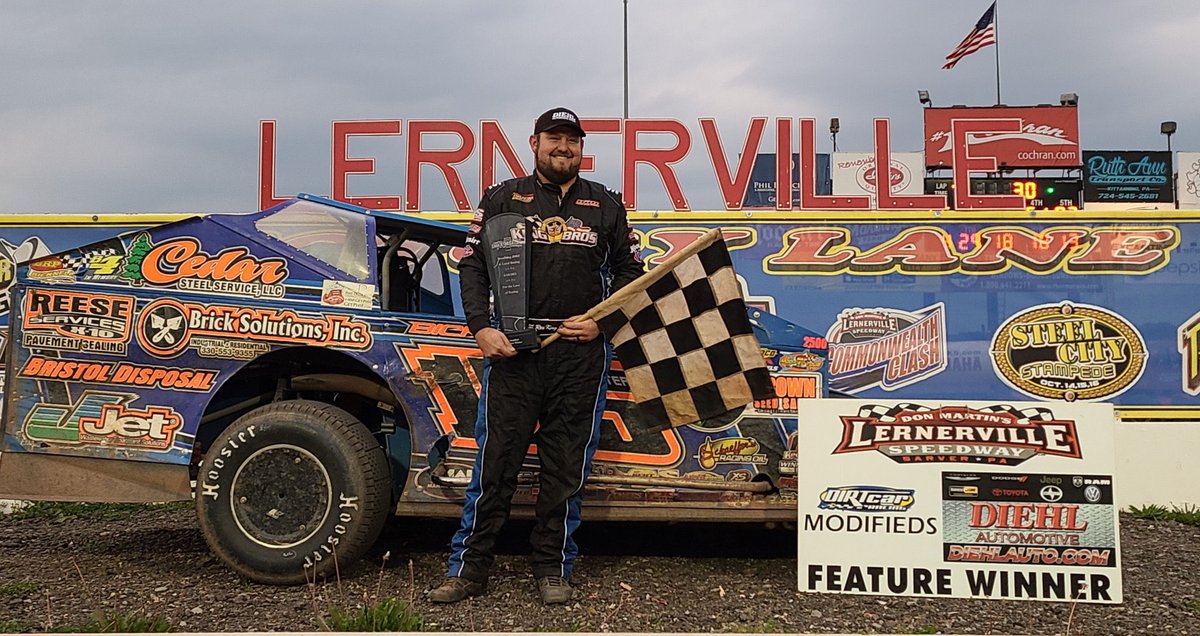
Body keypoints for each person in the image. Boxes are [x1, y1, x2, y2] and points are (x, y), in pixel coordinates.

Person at [430, 107, 645, 605]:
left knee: (566, 469)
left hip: (579, 355)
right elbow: (471, 267)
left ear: (581, 149)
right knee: (494, 466)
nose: (562, 148)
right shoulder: (503, 198)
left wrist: (603, 323)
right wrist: (481, 328)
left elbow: (631, 274)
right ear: (534, 143)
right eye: (554, 138)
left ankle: (553, 568)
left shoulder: (606, 205)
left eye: (572, 140)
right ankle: (468, 570)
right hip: (514, 355)